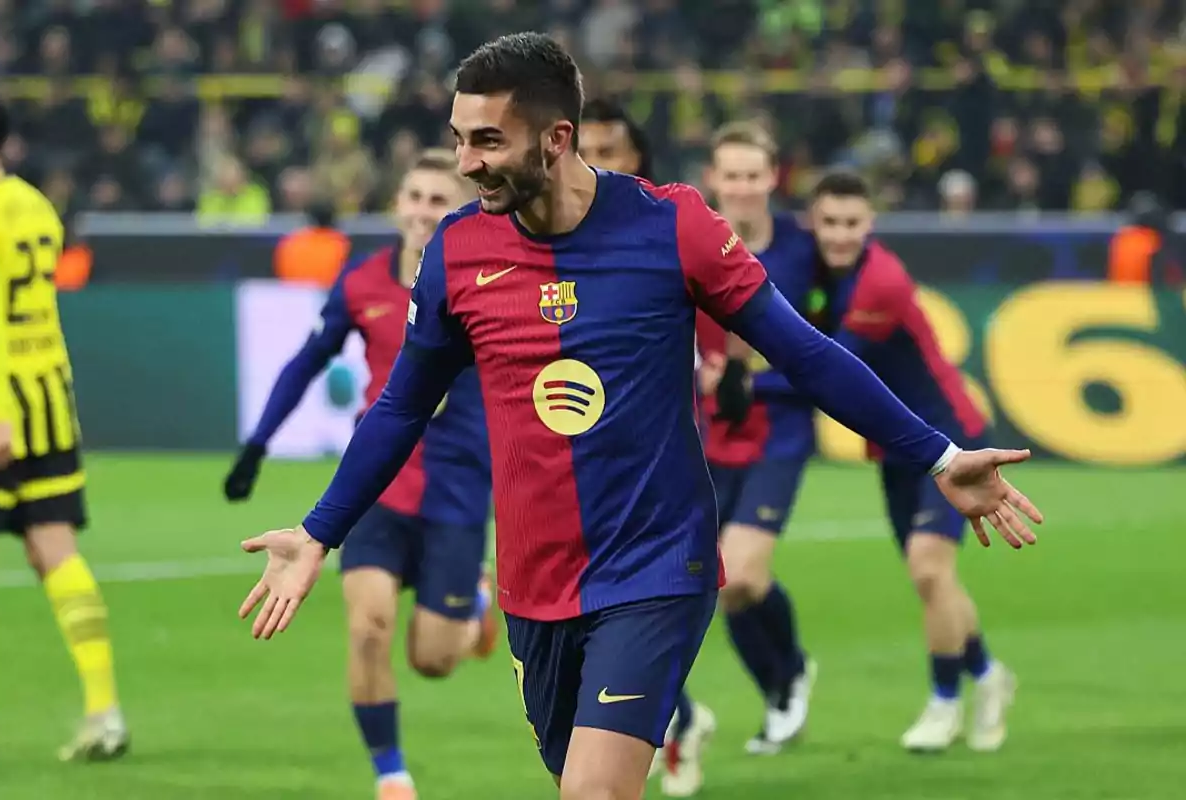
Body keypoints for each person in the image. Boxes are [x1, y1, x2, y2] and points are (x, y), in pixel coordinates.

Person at [236, 34, 1041, 800]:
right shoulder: (458, 252)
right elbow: (403, 403)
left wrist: (937, 458)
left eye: (486, 141)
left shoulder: (673, 225)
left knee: (594, 787)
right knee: (580, 782)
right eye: (458, 138)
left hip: (657, 564)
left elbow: (805, 353)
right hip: (533, 581)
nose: (464, 163)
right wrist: (319, 533)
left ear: (555, 138)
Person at [223, 149, 497, 800]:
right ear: (397, 206)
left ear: (459, 209)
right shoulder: (362, 283)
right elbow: (304, 363)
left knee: (432, 660)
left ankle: (476, 602)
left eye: (439, 199)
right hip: (378, 486)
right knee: (367, 625)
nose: (425, 211)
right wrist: (257, 444)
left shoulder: (486, 284)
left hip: (458, 490)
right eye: (416, 197)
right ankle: (391, 774)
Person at [800, 170, 1018, 752]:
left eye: (852, 223)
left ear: (870, 225)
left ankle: (945, 704)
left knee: (928, 568)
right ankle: (990, 677)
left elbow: (828, 371)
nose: (841, 234)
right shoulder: (819, 276)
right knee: (932, 580)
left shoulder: (880, 282)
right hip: (900, 451)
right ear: (813, 224)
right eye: (830, 223)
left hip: (952, 441)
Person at [0, 92, 129, 762]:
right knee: (52, 549)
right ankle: (105, 711)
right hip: (47, 393)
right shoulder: (35, 205)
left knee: (50, 549)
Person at [580, 94, 714, 798]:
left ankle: (685, 717)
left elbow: (774, 332)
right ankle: (682, 715)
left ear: (638, 161)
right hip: (567, 509)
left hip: (664, 489)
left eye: (611, 150)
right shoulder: (535, 246)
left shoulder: (672, 232)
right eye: (586, 148)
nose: (595, 164)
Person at [697, 121, 817, 755]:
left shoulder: (804, 248)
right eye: (731, 175)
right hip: (708, 434)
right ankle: (780, 686)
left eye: (753, 175)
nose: (742, 187)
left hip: (778, 430)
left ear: (773, 178)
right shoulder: (689, 243)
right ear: (713, 180)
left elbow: (832, 331)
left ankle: (791, 669)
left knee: (740, 574)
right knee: (719, 580)